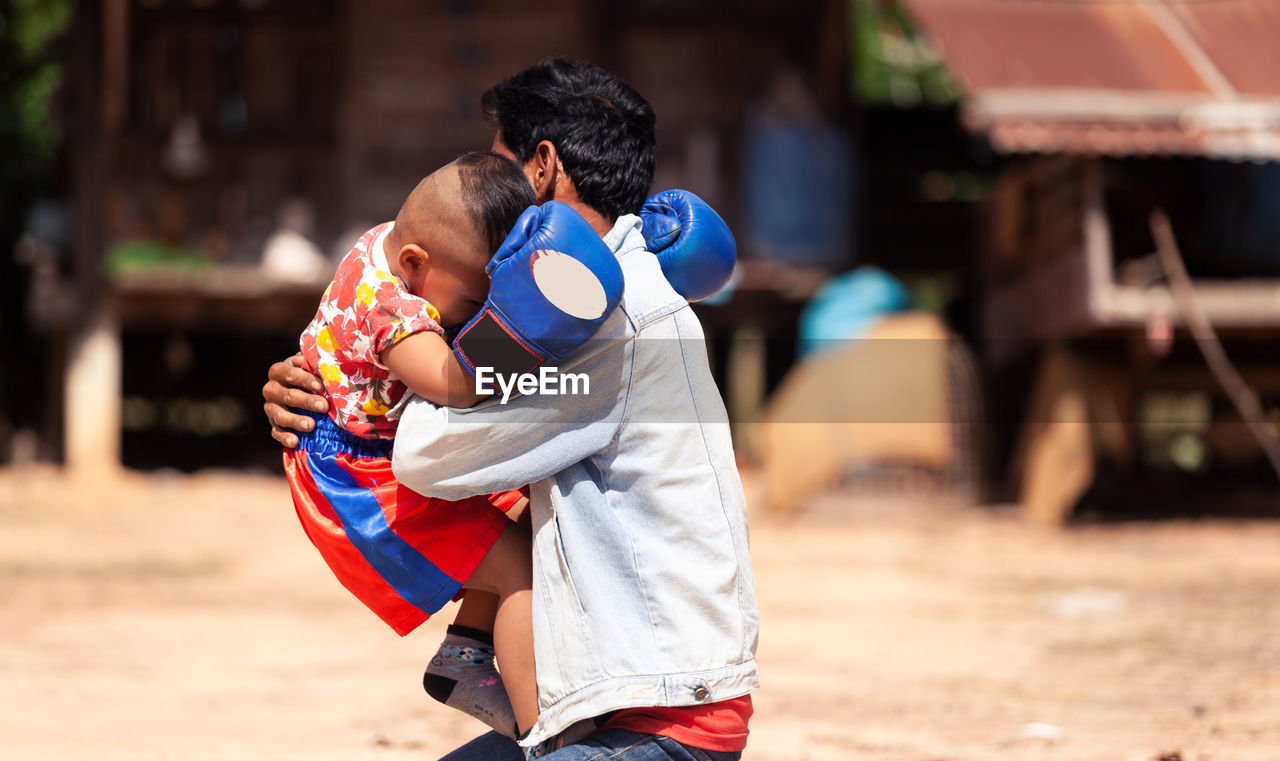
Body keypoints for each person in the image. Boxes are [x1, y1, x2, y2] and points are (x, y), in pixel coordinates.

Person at [264, 58, 759, 761]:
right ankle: (479, 661)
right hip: (636, 698)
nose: (481, 198)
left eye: (494, 173)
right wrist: (329, 377)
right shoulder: (621, 282)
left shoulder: (596, 318)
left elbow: (426, 452)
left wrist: (345, 410)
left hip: (652, 723)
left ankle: (540, 739)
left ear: (541, 169)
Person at [282, 149, 621, 740]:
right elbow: (453, 383)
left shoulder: (397, 247)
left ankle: (462, 658)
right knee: (521, 571)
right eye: (474, 303)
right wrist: (524, 327)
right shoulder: (392, 308)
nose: (478, 315)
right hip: (357, 477)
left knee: (526, 518)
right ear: (415, 263)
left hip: (373, 454)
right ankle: (553, 736)